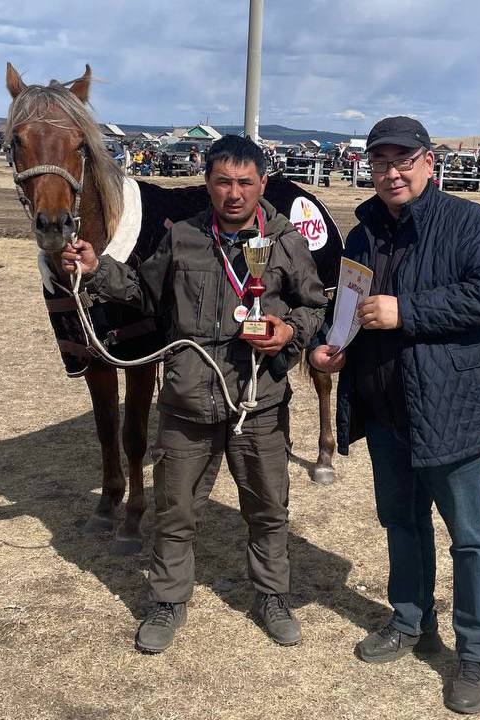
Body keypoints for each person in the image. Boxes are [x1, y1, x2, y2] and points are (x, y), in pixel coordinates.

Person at [61, 135, 328, 653]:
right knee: (175, 509)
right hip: (188, 399)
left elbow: (315, 306)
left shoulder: (285, 241)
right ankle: (167, 600)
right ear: (207, 183)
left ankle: (272, 596)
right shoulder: (182, 237)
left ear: (262, 184)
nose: (234, 193)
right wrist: (97, 269)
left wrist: (289, 331)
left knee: (268, 509)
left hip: (258, 400)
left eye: (245, 182)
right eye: (223, 181)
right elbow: (143, 292)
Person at [309, 116, 480, 715]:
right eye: (380, 162)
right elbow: (347, 306)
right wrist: (328, 344)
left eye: (403, 160)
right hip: (384, 408)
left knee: (470, 538)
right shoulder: (362, 232)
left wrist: (407, 312)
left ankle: (475, 652)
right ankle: (410, 620)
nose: (391, 173)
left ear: (430, 162)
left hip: (449, 409)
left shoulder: (470, 223)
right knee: (401, 523)